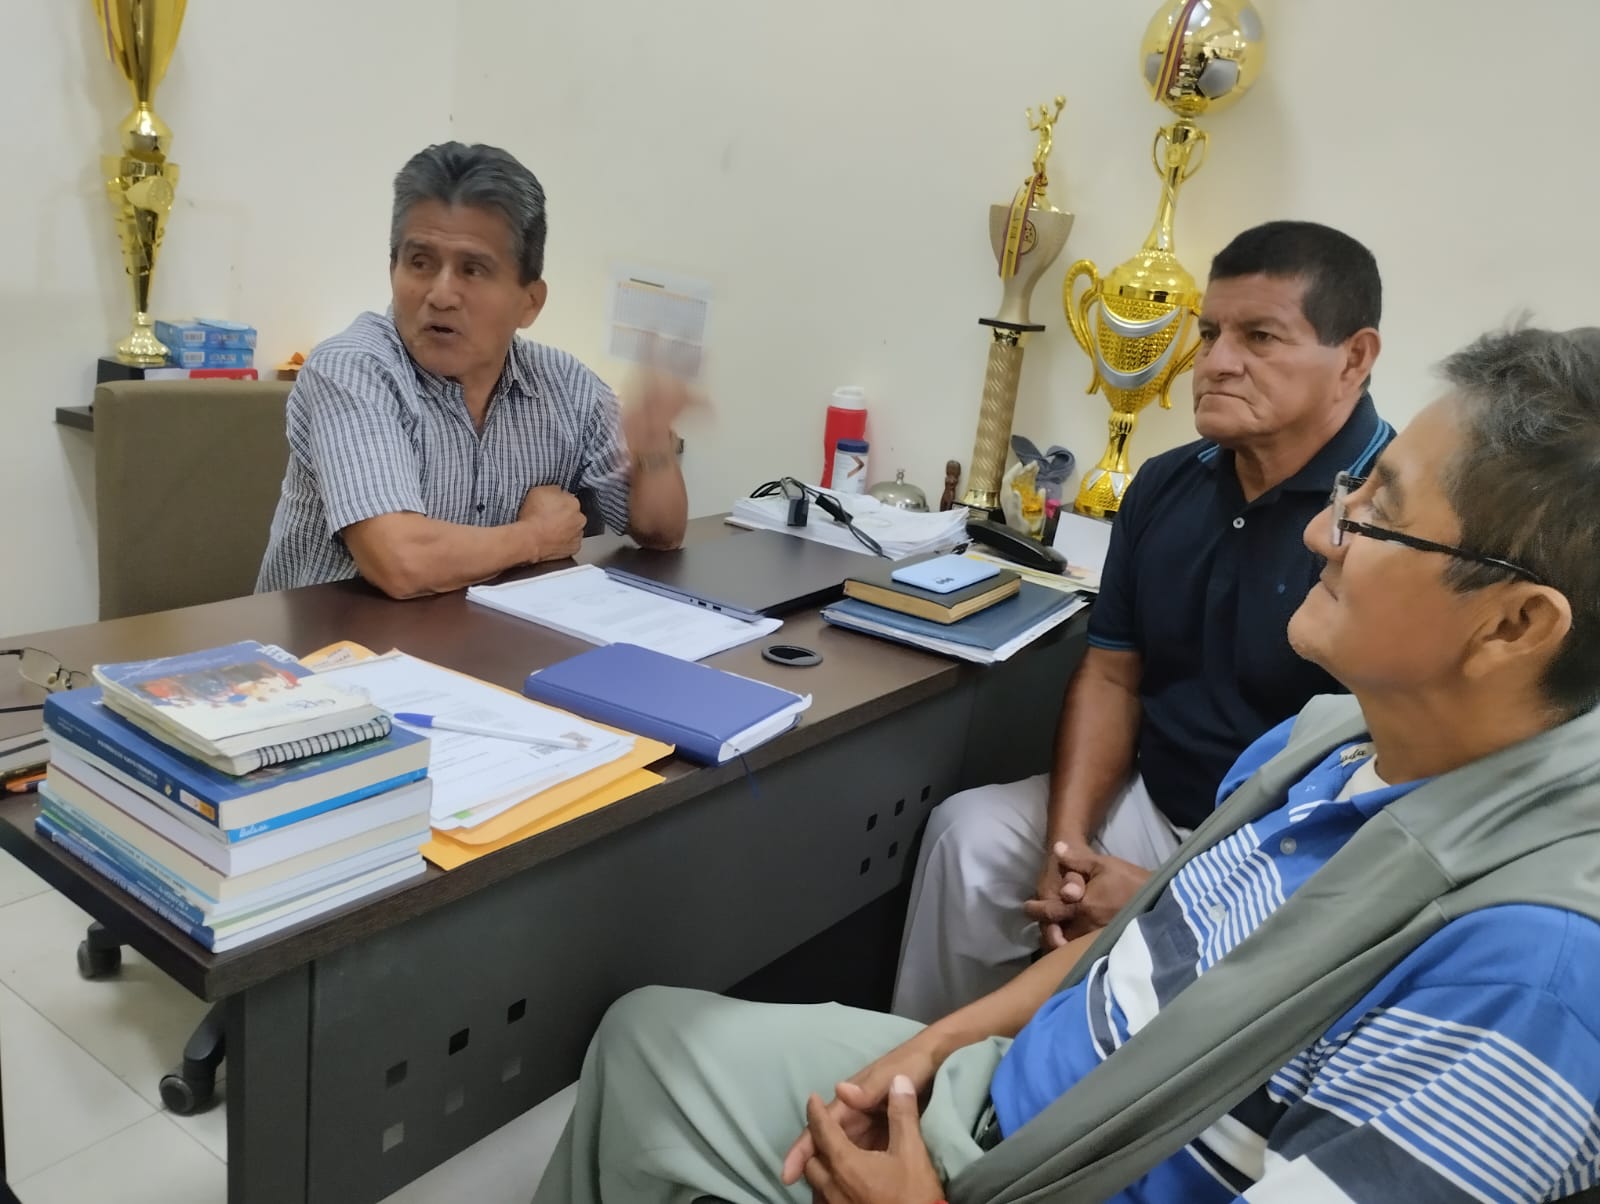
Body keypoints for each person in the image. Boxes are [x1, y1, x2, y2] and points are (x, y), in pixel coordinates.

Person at [534, 323, 1600, 1204]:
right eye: (1352, 494)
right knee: (646, 1035)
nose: (1326, 533)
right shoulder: (1326, 747)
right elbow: (1129, 949)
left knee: (658, 1067)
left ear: (1514, 625)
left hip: (1029, 1167)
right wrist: (933, 1046)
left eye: (1381, 519)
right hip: (1010, 1093)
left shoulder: (1531, 982)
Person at [893, 221, 1393, 1021]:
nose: (1216, 362)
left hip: (1288, 859)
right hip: (1154, 804)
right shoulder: (1165, 484)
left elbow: (1380, 777)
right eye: (1211, 333)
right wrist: (1067, 851)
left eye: (1261, 337)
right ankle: (914, 1072)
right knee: (971, 837)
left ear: (1354, 358)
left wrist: (1176, 889)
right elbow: (1112, 676)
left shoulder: (1390, 520)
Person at [255, 142, 690, 598]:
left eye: (473, 270)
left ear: (530, 302)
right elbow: (401, 561)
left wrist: (653, 447)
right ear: (392, 269)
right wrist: (535, 538)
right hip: (325, 640)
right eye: (420, 263)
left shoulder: (567, 386)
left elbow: (663, 534)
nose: (441, 295)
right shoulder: (351, 369)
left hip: (472, 635)